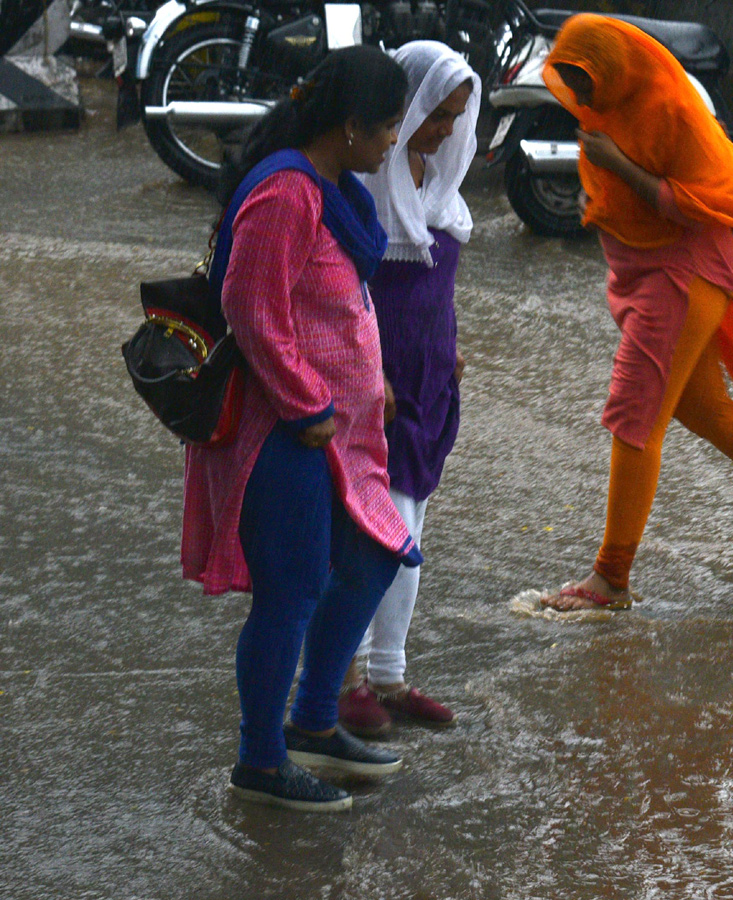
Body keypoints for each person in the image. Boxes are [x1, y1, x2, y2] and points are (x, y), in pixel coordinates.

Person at [538, 15, 733, 612]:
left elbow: (700, 205)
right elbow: (618, 192)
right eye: (569, 79)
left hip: (679, 278)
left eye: (584, 80)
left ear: (616, 69)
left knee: (636, 416)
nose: (577, 94)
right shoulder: (605, 109)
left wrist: (622, 168)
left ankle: (611, 578)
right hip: (646, 272)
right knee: (705, 408)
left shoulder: (671, 111)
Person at [181, 46, 420, 811]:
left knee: (375, 556)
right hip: (281, 433)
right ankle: (260, 761)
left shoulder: (328, 187)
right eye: (386, 127)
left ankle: (314, 721)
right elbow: (253, 311)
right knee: (290, 593)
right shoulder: (286, 192)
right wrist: (306, 405)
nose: (393, 142)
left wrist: (368, 378)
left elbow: (332, 299)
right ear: (349, 127)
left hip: (334, 430)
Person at [336, 41, 480, 735]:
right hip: (376, 384)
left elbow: (436, 282)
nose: (445, 129)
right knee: (369, 534)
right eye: (436, 114)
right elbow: (344, 286)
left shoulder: (435, 176)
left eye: (456, 116)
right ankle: (346, 677)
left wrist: (449, 350)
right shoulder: (367, 179)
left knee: (409, 532)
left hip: (427, 381)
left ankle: (389, 675)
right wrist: (366, 374)